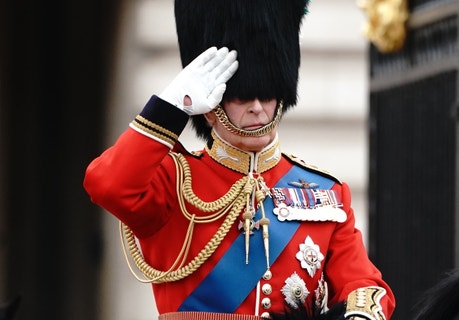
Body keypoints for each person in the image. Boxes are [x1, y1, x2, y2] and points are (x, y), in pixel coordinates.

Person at [83, 0, 395, 319]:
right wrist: (170, 106)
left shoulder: (325, 192)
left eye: (268, 93)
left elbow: (365, 285)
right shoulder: (172, 181)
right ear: (211, 106)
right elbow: (107, 184)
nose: (257, 107)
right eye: (242, 95)